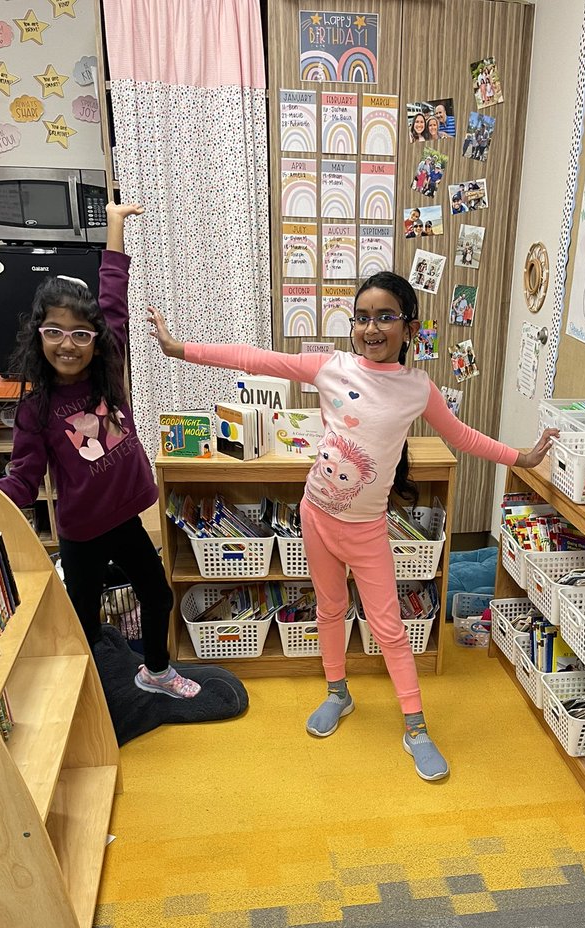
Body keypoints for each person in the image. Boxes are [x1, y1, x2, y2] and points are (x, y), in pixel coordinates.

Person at [148, 273, 557, 782]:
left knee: (389, 629)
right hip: (316, 517)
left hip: (366, 531)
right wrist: (179, 349)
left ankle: (415, 727)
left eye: (385, 316)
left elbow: (463, 436)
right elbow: (255, 358)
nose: (371, 327)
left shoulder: (417, 389)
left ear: (409, 327)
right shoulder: (331, 368)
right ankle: (337, 694)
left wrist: (521, 456)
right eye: (362, 317)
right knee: (329, 610)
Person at [0, 203, 200, 700]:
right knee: (82, 618)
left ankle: (156, 671)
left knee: (158, 593)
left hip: (126, 519)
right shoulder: (36, 411)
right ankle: (85, 696)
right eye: (55, 332)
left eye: (81, 334)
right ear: (39, 336)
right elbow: (21, 481)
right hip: (82, 534)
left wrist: (115, 222)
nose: (68, 344)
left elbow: (113, 295)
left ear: (95, 340)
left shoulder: (107, 369)